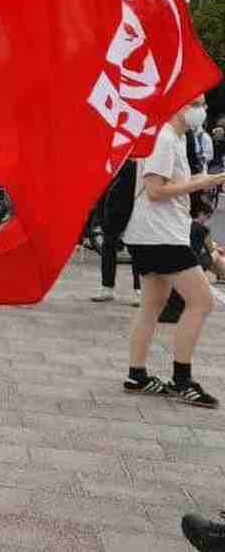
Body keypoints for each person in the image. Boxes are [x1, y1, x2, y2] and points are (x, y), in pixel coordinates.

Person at [122, 95, 225, 405]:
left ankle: (136, 375)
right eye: (196, 103)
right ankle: (182, 379)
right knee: (202, 301)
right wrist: (198, 185)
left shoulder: (176, 137)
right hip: (160, 234)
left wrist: (214, 177)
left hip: (155, 233)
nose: (201, 111)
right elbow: (155, 190)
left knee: (153, 304)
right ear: (178, 105)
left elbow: (175, 180)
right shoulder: (164, 138)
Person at [90, 161, 141, 305]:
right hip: (114, 203)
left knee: (137, 247)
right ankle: (107, 287)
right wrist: (100, 213)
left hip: (138, 202)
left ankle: (140, 290)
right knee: (109, 244)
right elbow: (104, 181)